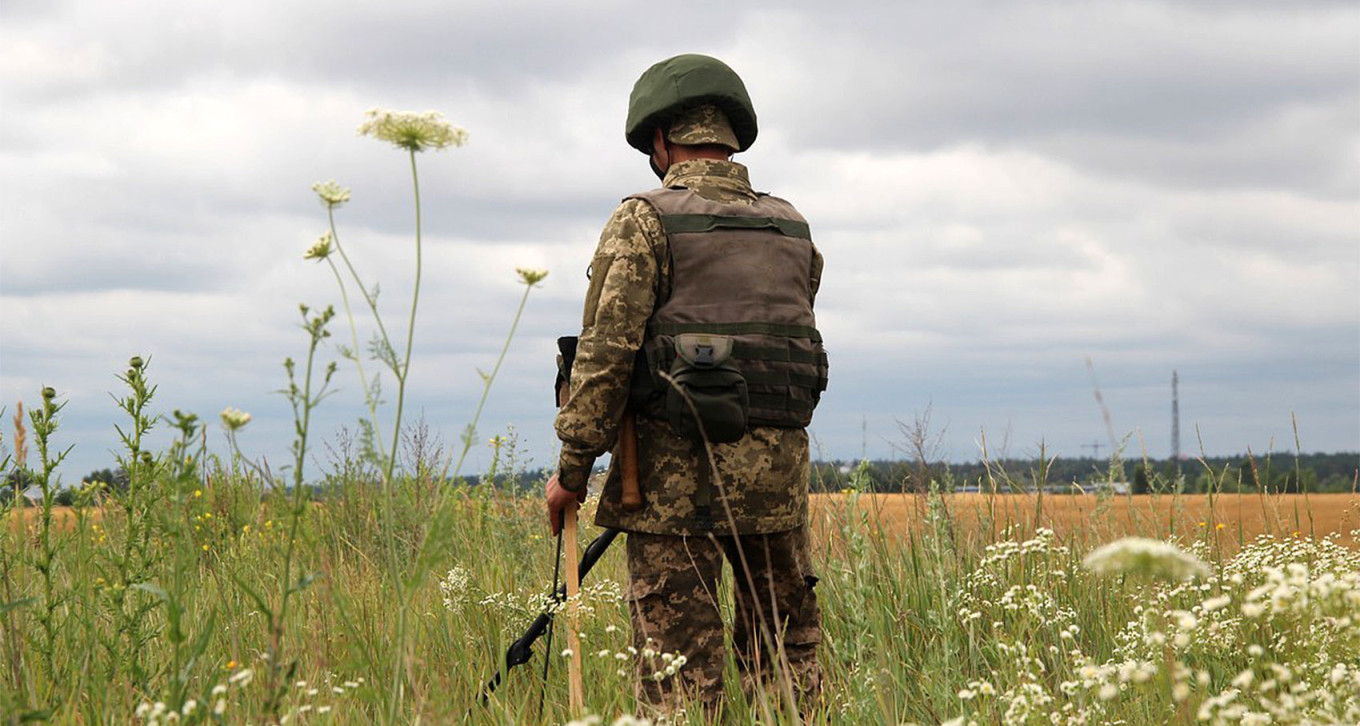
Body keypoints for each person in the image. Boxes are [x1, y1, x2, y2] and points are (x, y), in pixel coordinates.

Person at [546, 53, 828, 718]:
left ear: (659, 142)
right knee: (786, 667)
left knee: (679, 683)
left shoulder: (642, 219)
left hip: (671, 493)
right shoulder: (790, 226)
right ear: (731, 137)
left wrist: (572, 470)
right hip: (776, 494)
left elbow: (605, 356)